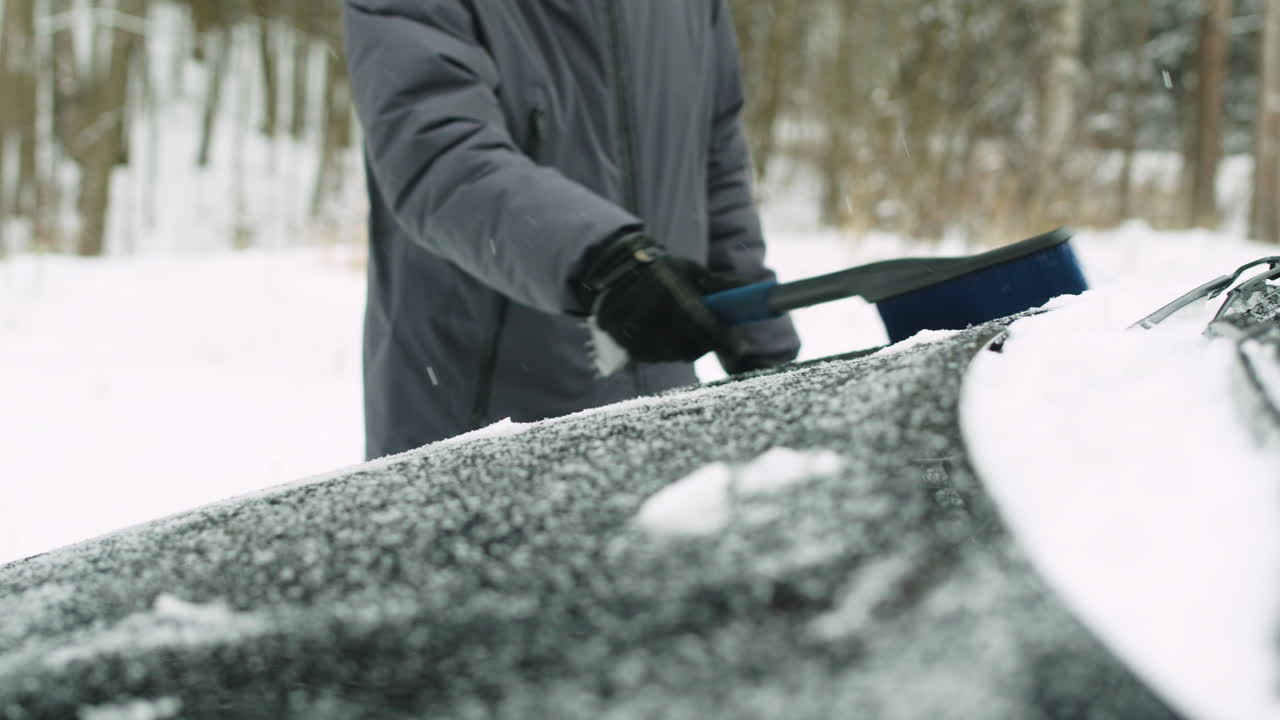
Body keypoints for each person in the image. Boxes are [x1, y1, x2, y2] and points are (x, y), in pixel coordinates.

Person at [343, 0, 800, 459]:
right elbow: (438, 153)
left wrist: (760, 339)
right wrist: (606, 261)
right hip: (479, 433)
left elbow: (714, 154)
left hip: (664, 419)